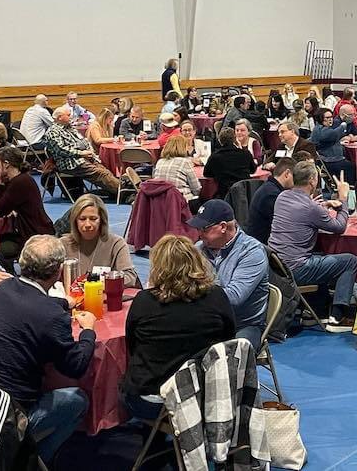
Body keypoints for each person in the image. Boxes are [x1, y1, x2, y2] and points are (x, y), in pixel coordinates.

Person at [0, 235, 96, 464]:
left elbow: (30, 304)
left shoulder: (2, 288)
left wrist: (63, 303)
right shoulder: (51, 318)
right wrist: (89, 331)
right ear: (59, 271)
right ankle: (34, 460)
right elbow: (76, 366)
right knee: (78, 400)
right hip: (13, 412)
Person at [121, 234, 235, 420]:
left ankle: (152, 437)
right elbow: (229, 339)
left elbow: (132, 345)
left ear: (158, 267)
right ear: (197, 262)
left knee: (124, 385)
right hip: (206, 395)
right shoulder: (217, 297)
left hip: (153, 401)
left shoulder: (144, 301)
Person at [267, 161, 356, 331]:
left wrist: (323, 206)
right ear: (313, 181)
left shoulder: (282, 197)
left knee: (320, 256)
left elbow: (303, 212)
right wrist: (343, 199)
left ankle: (314, 312)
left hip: (276, 267)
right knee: (349, 261)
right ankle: (338, 317)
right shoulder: (311, 208)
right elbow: (339, 227)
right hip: (296, 269)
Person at [189, 200, 268, 349]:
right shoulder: (198, 249)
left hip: (242, 325)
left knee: (231, 357)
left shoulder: (252, 252)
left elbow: (233, 298)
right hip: (206, 319)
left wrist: (192, 292)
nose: (199, 234)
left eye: (204, 229)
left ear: (223, 227)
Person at [0, 147, 54, 273]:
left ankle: (9, 279)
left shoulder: (19, 183)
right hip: (34, 229)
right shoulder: (21, 179)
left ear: (6, 164)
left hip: (33, 235)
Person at [61, 194, 138, 287]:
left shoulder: (116, 244)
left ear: (102, 220)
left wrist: (97, 284)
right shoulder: (62, 244)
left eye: (93, 219)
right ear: (74, 221)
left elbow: (130, 277)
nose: (87, 224)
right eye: (82, 219)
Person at [45, 106, 121, 196]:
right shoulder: (53, 132)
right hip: (71, 162)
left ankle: (121, 191)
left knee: (106, 172)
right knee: (101, 174)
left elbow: (85, 141)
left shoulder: (70, 128)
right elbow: (61, 149)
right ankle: (125, 192)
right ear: (60, 117)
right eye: (68, 115)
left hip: (85, 158)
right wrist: (81, 153)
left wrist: (90, 151)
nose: (71, 116)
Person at [244, 157, 296, 244]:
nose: (296, 181)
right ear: (287, 174)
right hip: (264, 248)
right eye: (294, 176)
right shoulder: (272, 195)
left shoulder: (269, 188)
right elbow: (288, 223)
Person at [154, 135, 203, 213]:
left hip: (160, 201)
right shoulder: (185, 162)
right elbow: (196, 189)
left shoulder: (160, 162)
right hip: (181, 202)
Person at [202, 127, 254, 200]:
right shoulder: (245, 154)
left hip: (225, 195)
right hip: (245, 194)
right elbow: (253, 170)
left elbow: (206, 173)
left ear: (220, 141)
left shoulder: (215, 156)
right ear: (235, 139)